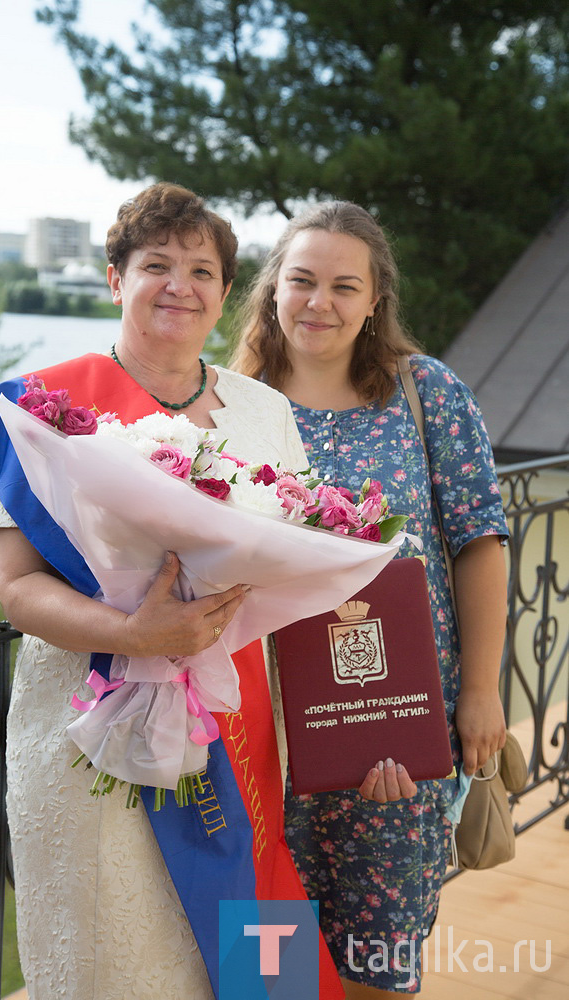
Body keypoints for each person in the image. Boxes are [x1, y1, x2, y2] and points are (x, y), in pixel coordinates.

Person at [0, 183, 351, 1000]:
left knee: (241, 957)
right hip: (87, 734)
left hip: (235, 728)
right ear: (113, 279)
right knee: (113, 955)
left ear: (225, 294)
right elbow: (17, 590)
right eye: (155, 263)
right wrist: (136, 635)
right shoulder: (42, 409)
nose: (179, 285)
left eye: (201, 269)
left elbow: (304, 574)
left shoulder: (267, 411)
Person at [232, 200, 509, 996]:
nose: (320, 303)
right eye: (303, 281)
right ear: (273, 290)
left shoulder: (426, 391)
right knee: (269, 971)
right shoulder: (233, 403)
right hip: (268, 742)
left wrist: (483, 692)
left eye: (343, 286)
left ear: (374, 300)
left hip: (403, 733)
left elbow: (479, 544)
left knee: (380, 970)